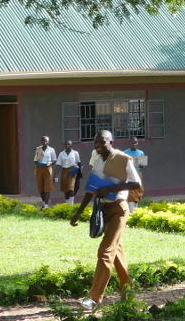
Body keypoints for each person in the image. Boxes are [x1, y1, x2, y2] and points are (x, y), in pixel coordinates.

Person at [69, 130, 142, 312]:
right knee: (116, 252)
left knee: (105, 251)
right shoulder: (97, 157)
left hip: (118, 210)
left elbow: (136, 184)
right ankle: (128, 294)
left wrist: (110, 188)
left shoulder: (123, 159)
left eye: (102, 142)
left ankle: (94, 299)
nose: (98, 145)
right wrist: (79, 212)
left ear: (111, 142)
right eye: (96, 142)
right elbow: (91, 187)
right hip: (103, 210)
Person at [32, 136, 57, 209]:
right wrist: (38, 163)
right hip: (40, 168)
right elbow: (35, 160)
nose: (44, 142)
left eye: (46, 141)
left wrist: (50, 163)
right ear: (41, 141)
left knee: (47, 186)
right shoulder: (38, 149)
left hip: (48, 168)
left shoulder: (51, 150)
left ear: (48, 142)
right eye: (43, 141)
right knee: (40, 186)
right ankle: (43, 203)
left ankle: (46, 204)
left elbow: (54, 160)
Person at [123, 138, 147, 213]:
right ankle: (131, 211)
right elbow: (122, 163)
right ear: (129, 143)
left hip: (138, 174)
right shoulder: (125, 152)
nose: (134, 144)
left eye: (135, 142)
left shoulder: (140, 153)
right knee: (131, 193)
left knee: (139, 191)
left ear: (137, 143)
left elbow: (143, 166)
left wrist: (141, 165)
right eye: (132, 142)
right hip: (129, 175)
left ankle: (135, 209)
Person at [57, 140, 82, 205]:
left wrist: (79, 172)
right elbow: (59, 165)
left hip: (72, 171)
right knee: (66, 189)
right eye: (66, 144)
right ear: (64, 145)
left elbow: (78, 163)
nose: (67, 145)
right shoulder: (61, 154)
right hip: (64, 171)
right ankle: (67, 204)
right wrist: (55, 174)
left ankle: (71, 204)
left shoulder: (75, 153)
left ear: (71, 145)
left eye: (69, 144)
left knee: (71, 188)